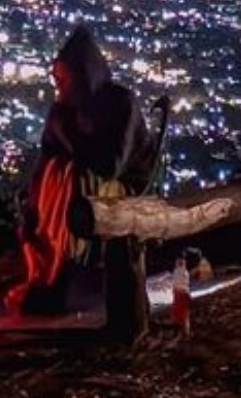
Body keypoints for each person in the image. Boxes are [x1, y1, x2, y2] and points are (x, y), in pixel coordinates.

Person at [18, 26, 157, 314]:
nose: (61, 88)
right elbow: (46, 158)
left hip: (123, 182)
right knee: (57, 174)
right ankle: (45, 268)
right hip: (79, 184)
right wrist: (31, 206)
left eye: (66, 81)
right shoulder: (64, 109)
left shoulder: (120, 103)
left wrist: (70, 133)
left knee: (71, 177)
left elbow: (110, 166)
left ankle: (62, 269)